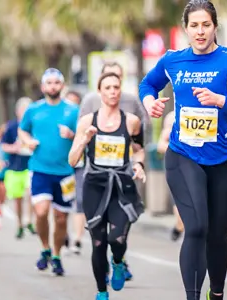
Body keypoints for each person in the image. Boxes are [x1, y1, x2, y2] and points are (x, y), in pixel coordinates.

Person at [138, 1, 227, 299]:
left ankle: (215, 293)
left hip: (222, 159)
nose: (200, 31)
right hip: (183, 155)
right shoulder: (173, 61)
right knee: (196, 228)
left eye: (206, 24)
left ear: (215, 26)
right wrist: (149, 102)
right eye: (194, 25)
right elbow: (148, 84)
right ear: (186, 29)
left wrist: (221, 101)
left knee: (217, 235)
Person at [69, 72, 146, 300]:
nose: (113, 91)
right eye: (108, 88)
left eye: (116, 87)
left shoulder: (131, 121)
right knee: (99, 241)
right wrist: (84, 139)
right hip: (95, 185)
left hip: (121, 186)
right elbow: (72, 160)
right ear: (100, 92)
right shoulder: (87, 121)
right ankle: (102, 292)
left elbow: (139, 148)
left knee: (117, 239)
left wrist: (139, 164)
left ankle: (119, 261)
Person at [19, 68, 80, 276]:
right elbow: (22, 129)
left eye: (56, 82)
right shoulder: (34, 110)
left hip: (65, 172)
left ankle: (56, 255)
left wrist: (71, 135)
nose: (53, 86)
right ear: (43, 86)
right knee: (42, 212)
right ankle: (44, 248)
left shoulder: (72, 110)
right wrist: (27, 141)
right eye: (49, 83)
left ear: (62, 85)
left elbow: (82, 136)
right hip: (40, 169)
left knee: (61, 218)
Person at [2, 97, 37, 238]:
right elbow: (4, 145)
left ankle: (29, 220)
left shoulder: (35, 126)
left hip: (32, 165)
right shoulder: (11, 126)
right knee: (17, 198)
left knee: (31, 194)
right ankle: (19, 224)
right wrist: (14, 148)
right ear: (17, 112)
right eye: (23, 110)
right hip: (15, 167)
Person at [156, 110, 184, 241]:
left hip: (200, 166)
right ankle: (179, 227)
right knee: (181, 212)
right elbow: (161, 146)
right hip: (177, 168)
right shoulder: (172, 116)